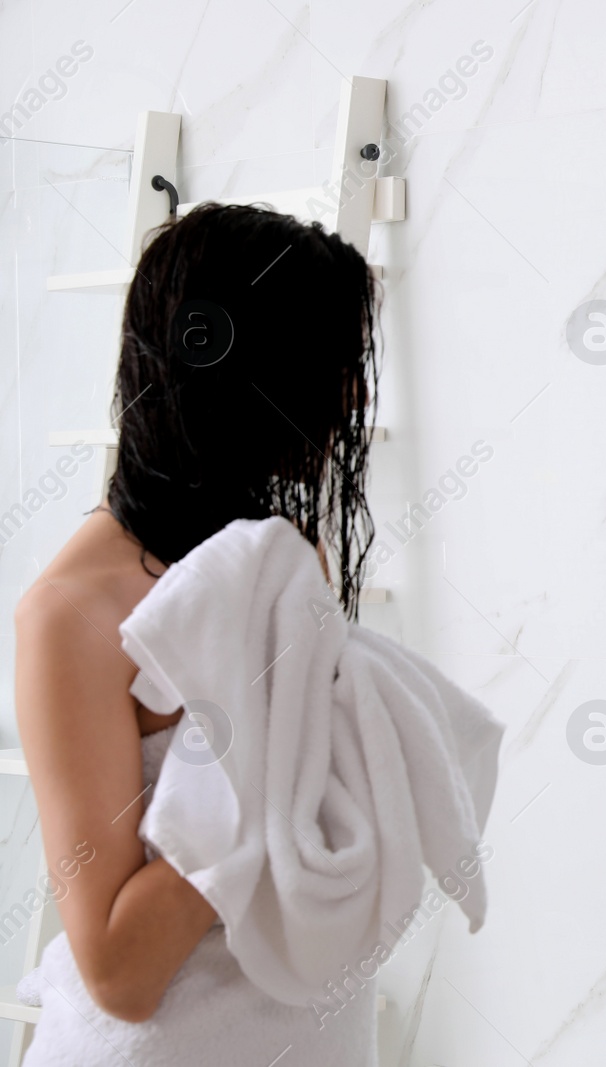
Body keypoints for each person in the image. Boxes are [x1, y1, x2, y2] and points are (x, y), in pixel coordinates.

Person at [14, 202, 383, 1061]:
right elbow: (119, 974)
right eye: (326, 361)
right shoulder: (74, 612)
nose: (349, 394)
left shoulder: (287, 562)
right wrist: (259, 768)